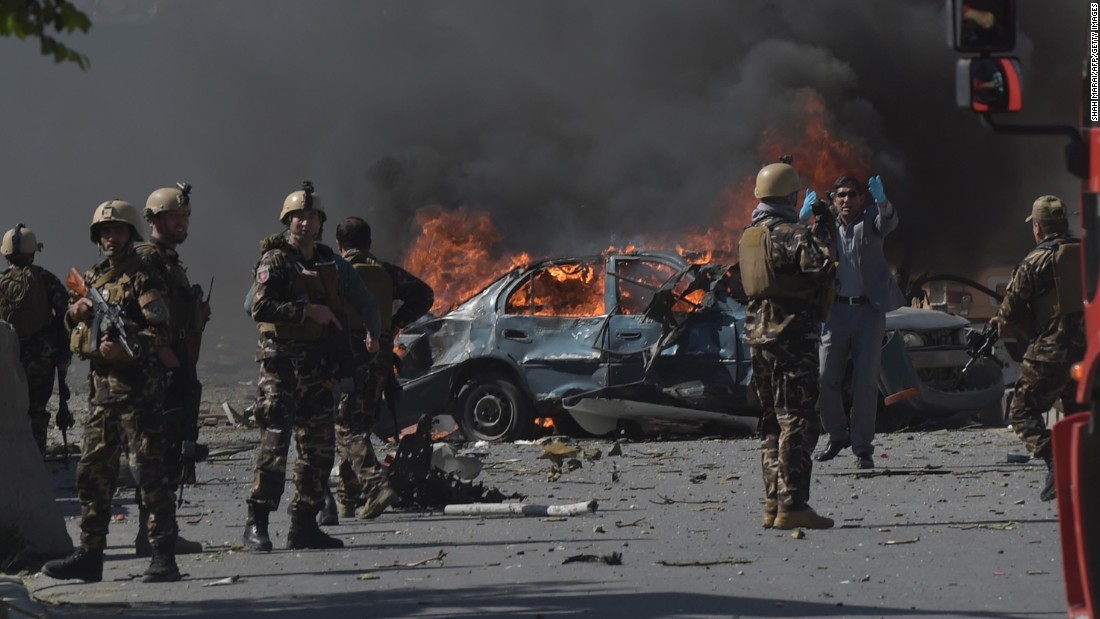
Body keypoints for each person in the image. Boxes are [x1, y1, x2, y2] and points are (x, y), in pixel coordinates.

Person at [41, 200, 180, 583]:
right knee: (92, 474)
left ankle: (164, 554)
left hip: (138, 394)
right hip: (102, 395)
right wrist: (77, 312)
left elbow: (163, 333)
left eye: (117, 231)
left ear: (131, 234)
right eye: (104, 232)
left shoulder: (144, 277)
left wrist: (126, 343)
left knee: (149, 473)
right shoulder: (94, 276)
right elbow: (73, 325)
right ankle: (90, 554)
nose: (110, 238)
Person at [242, 181, 381, 552]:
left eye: (311, 217)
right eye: (298, 217)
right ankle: (257, 522)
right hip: (281, 367)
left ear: (321, 223)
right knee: (274, 445)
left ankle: (304, 523)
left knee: (318, 450)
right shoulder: (276, 260)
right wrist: (307, 311)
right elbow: (258, 307)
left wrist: (351, 351)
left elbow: (358, 304)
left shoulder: (327, 263)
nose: (305, 223)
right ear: (287, 221)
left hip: (319, 369)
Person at [739, 161, 837, 530]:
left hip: (757, 337)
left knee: (771, 422)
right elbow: (825, 270)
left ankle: (772, 502)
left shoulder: (750, 235)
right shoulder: (793, 234)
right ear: (789, 196)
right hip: (792, 336)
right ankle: (793, 503)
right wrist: (821, 232)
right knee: (797, 419)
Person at [333, 216, 434, 520]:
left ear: (339, 245)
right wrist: (394, 324)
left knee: (347, 426)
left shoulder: (335, 271)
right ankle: (347, 499)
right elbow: (425, 295)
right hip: (378, 358)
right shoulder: (385, 272)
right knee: (359, 425)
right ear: (369, 243)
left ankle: (376, 487)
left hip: (346, 359)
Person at [990, 195, 1086, 502]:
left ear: (1038, 228)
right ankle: (1081, 473)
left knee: (1022, 410)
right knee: (1078, 412)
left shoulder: (1034, 261)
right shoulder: (1088, 255)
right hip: (1088, 353)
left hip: (1051, 351)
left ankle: (1054, 461)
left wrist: (1011, 324)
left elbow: (1007, 315)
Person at [133, 182, 211, 556]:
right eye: (173, 216)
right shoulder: (147, 260)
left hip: (179, 366)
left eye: (185, 216)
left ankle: (157, 532)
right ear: (154, 220)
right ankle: (154, 535)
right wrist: (166, 356)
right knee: (156, 452)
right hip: (160, 370)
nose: (182, 223)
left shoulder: (168, 262)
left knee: (169, 448)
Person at [808, 175, 906, 469]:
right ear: (833, 200)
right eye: (840, 195)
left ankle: (862, 448)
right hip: (836, 313)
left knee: (865, 382)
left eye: (852, 195)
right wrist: (803, 220)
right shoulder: (825, 227)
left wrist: (883, 200)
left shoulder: (872, 221)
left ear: (862, 198)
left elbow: (889, 222)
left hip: (868, 312)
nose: (846, 200)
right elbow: (805, 248)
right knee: (826, 377)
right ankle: (837, 435)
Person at [0, 224, 72, 455]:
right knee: (37, 411)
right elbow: (65, 316)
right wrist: (64, 353)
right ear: (34, 251)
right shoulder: (45, 278)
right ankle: (36, 458)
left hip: (7, 357)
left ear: (5, 254)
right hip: (42, 356)